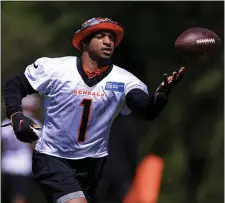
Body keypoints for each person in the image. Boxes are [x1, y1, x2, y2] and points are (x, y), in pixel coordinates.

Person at [3, 17, 185, 203]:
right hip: (53, 157)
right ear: (84, 42)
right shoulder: (56, 69)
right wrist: (16, 114)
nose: (108, 42)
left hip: (93, 165)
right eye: (101, 36)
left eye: (112, 38)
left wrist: (160, 97)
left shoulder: (124, 80)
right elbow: (15, 85)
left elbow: (146, 110)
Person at [1, 94, 42, 203]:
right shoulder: (34, 123)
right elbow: (35, 146)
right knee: (20, 197)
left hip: (7, 165)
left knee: (7, 197)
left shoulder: (6, 122)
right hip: (23, 166)